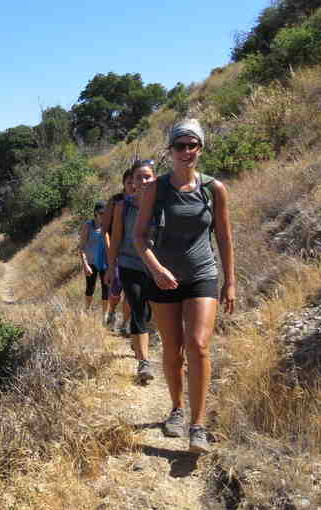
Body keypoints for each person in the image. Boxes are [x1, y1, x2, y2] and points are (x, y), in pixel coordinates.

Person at [134, 118, 235, 454]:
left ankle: (198, 425)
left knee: (198, 345)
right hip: (163, 278)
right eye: (180, 145)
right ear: (171, 149)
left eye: (193, 145)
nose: (186, 151)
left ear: (201, 148)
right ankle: (177, 408)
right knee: (173, 350)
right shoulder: (155, 189)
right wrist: (157, 269)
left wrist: (230, 282)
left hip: (202, 274)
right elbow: (139, 237)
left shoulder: (214, 189)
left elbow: (224, 237)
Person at [105, 160, 157, 384]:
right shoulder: (122, 206)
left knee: (148, 311)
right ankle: (144, 362)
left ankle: (138, 343)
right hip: (129, 263)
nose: (143, 181)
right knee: (137, 307)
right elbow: (116, 237)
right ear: (132, 181)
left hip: (155, 266)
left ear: (155, 178)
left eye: (148, 177)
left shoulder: (161, 203)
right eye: (139, 177)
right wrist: (111, 267)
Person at [102, 169, 135, 333]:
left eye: (134, 182)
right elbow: (105, 230)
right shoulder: (116, 201)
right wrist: (111, 252)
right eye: (129, 182)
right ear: (123, 183)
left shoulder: (144, 199)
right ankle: (112, 311)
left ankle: (125, 324)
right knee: (116, 288)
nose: (133, 185)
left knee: (130, 292)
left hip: (135, 254)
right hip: (116, 253)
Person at [79, 200, 109, 316]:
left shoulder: (108, 226)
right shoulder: (88, 226)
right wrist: (85, 265)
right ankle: (87, 310)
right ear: (95, 213)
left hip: (105, 263)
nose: (103, 216)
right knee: (90, 288)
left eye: (106, 213)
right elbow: (82, 247)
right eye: (101, 213)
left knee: (106, 289)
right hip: (91, 263)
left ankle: (105, 316)